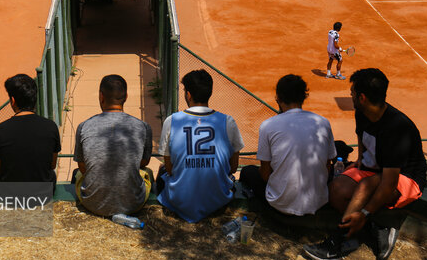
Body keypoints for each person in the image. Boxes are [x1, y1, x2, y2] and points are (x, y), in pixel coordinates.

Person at [304, 68, 426, 260]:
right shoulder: (362, 112)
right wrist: (360, 158)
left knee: (366, 186)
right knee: (336, 190)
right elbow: (361, 134)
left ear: (361, 98)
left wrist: (364, 213)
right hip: (376, 168)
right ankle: (378, 228)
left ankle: (337, 243)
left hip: (407, 178)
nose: (350, 95)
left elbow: (388, 183)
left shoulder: (397, 130)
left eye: (352, 92)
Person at [240, 74, 336, 216]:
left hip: (280, 205)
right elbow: (328, 166)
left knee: (247, 171)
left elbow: (265, 175)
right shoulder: (322, 122)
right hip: (318, 202)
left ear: (278, 97)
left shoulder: (268, 125)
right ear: (304, 96)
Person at [157, 69, 244, 223]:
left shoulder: (171, 121)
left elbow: (169, 169)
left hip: (179, 201)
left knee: (162, 171)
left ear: (188, 95)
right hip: (218, 200)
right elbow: (232, 167)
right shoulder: (227, 121)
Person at [73, 75, 153, 217]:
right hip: (133, 204)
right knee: (147, 173)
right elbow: (144, 162)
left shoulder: (84, 126)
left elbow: (82, 167)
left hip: (92, 204)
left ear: (101, 96)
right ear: (126, 96)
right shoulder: (143, 127)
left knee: (77, 173)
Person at [0, 74, 60, 192]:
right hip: (42, 195)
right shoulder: (51, 127)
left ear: (13, 100)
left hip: (9, 197)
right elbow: (52, 165)